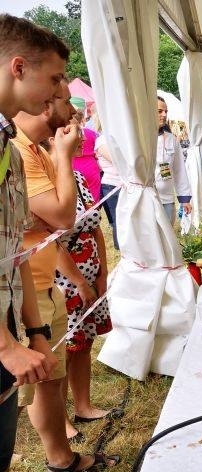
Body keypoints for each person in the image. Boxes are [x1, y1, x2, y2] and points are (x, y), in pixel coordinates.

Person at [12, 79, 120, 472]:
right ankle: (49, 463)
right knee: (39, 382)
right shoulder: (27, 151)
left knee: (51, 376)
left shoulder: (37, 150)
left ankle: (62, 457)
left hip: (41, 281)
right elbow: (60, 218)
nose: (69, 103)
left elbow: (65, 219)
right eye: (57, 91)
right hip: (32, 284)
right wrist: (63, 153)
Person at [0, 13, 63, 472]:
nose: (60, 92)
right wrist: (6, 345)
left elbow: (14, 240)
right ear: (18, 68)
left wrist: (33, 327)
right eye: (57, 78)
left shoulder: (9, 143)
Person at [49, 145, 114, 426]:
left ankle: (83, 406)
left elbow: (95, 225)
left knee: (85, 341)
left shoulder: (76, 176)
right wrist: (79, 283)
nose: (77, 135)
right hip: (65, 281)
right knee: (65, 348)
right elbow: (51, 243)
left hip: (91, 272)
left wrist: (102, 272)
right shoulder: (45, 182)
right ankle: (60, 419)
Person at [155, 96, 191, 223]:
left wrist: (184, 198)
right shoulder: (141, 140)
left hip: (167, 200)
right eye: (159, 111)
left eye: (166, 111)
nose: (164, 115)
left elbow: (179, 169)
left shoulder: (172, 139)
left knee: (168, 238)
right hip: (147, 200)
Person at [95, 117, 122, 249]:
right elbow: (117, 160)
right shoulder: (102, 140)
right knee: (118, 218)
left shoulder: (119, 137)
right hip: (112, 185)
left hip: (123, 184)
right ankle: (120, 247)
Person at [69, 97, 102, 202]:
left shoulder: (68, 133)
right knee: (92, 202)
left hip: (73, 166)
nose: (83, 139)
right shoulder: (91, 133)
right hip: (90, 168)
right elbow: (98, 152)